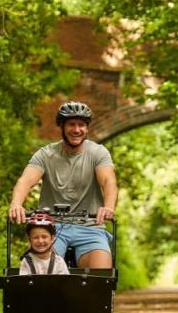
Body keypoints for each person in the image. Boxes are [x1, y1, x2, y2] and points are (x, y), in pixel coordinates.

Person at [8, 101, 118, 268]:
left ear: (87, 128)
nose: (76, 130)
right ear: (62, 126)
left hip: (90, 227)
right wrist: (16, 204)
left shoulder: (98, 153)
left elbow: (108, 180)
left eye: (81, 125)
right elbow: (25, 180)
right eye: (71, 124)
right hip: (52, 227)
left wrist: (108, 206)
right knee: (41, 272)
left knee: (101, 275)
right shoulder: (45, 154)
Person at [18, 211, 70, 275]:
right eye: (36, 237)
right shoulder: (26, 261)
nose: (40, 241)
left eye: (44, 237)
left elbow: (65, 283)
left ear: (52, 238)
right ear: (29, 240)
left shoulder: (59, 261)